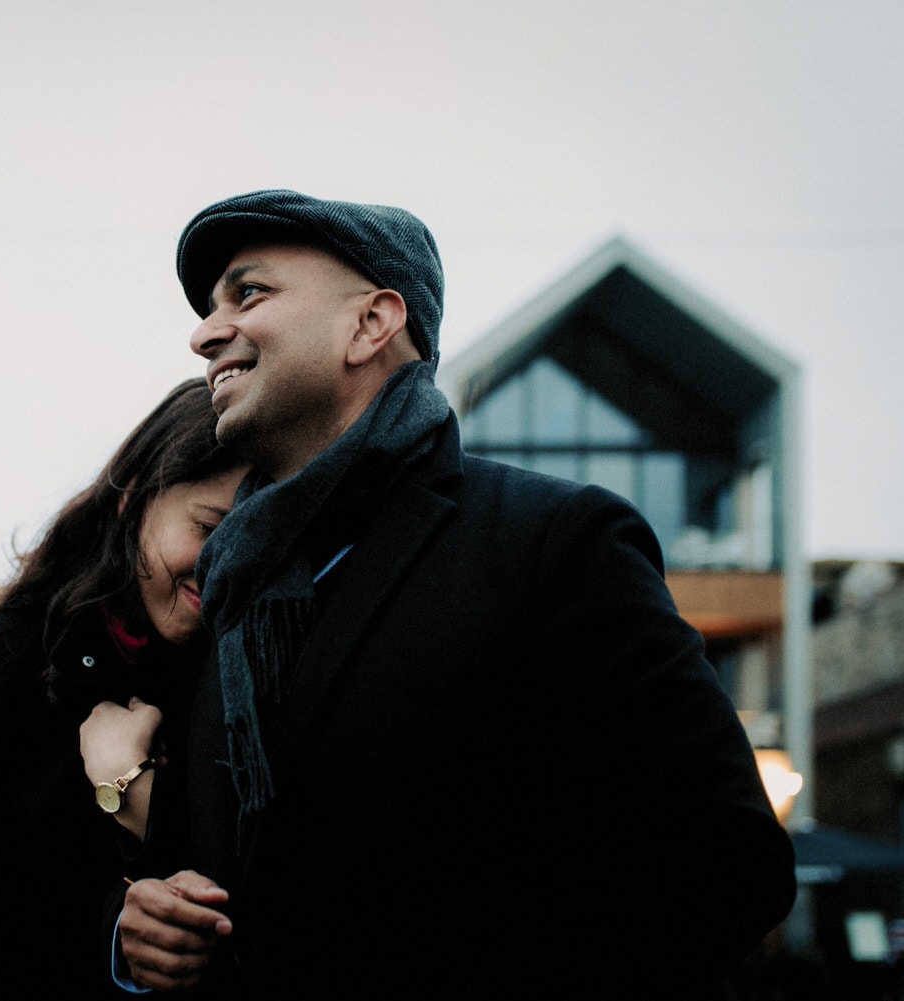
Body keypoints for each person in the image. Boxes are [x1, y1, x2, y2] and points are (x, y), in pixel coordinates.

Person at [113, 190, 797, 999]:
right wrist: (148, 936)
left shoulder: (552, 541)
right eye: (209, 308)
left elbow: (728, 865)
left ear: (371, 324)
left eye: (248, 292)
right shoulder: (229, 587)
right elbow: (219, 878)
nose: (203, 334)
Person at [0, 379, 247, 998]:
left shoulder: (252, 673)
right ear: (134, 500)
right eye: (208, 527)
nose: (223, 564)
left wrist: (127, 782)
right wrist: (116, 930)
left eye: (248, 542)